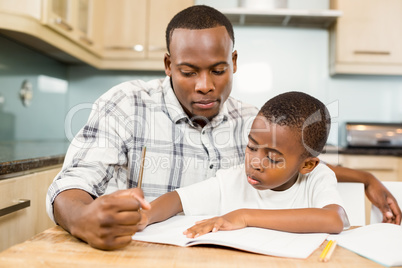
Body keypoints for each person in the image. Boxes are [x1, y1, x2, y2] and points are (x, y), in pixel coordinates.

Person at [46, 5, 401, 250]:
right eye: (188, 72)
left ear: (233, 62)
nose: (204, 85)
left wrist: (366, 178)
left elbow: (297, 162)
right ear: (169, 65)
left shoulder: (253, 120)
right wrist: (82, 218)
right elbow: (73, 183)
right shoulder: (126, 104)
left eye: (217, 70)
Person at [138, 91, 349, 236]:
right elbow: (177, 200)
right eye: (251, 147)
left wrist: (244, 216)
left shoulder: (316, 178)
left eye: (273, 158)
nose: (255, 162)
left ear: (307, 165)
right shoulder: (233, 179)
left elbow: (334, 219)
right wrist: (145, 216)